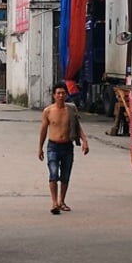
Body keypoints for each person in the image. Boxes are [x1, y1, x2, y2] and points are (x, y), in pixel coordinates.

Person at [37, 82, 89, 214]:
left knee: (65, 175)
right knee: (53, 173)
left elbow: (77, 127)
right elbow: (43, 130)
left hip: (67, 146)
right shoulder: (48, 111)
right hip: (53, 146)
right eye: (58, 93)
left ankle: (62, 201)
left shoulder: (71, 110)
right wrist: (40, 148)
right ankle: (54, 203)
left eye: (63, 93)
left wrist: (84, 141)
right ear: (54, 95)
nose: (61, 95)